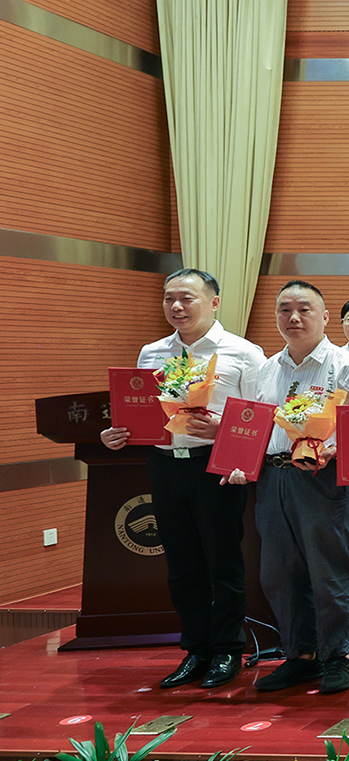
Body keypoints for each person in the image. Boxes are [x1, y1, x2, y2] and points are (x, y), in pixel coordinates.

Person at [100, 269, 266, 690]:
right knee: (181, 565)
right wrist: (117, 433)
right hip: (165, 465)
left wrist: (224, 431)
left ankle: (228, 649)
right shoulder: (152, 352)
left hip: (216, 467)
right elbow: (141, 410)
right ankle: (196, 648)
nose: (176, 306)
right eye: (169, 298)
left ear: (214, 303)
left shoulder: (243, 353)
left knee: (223, 562)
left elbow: (260, 418)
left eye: (187, 298)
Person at [232, 280, 349, 696]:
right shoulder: (266, 368)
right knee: (277, 573)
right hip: (272, 477)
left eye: (304, 309)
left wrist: (334, 450)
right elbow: (252, 425)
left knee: (327, 572)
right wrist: (237, 461)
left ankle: (335, 657)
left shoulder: (346, 368)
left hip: (321, 480)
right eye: (285, 310)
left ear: (325, 317)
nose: (293, 318)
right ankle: (300, 656)